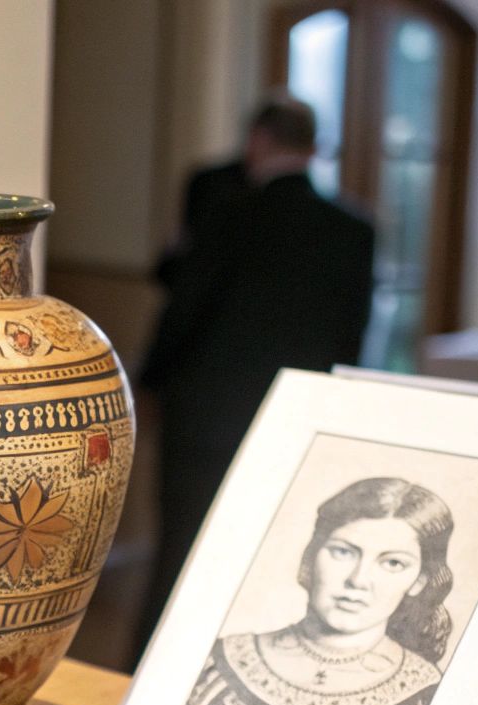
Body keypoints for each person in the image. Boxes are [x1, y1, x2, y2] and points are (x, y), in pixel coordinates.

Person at [137, 94, 376, 652]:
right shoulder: (353, 229)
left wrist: (148, 384)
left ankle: (155, 661)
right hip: (298, 408)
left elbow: (184, 307)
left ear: (258, 142)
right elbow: (353, 334)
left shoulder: (226, 210)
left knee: (183, 545)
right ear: (314, 148)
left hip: (206, 407)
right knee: (279, 546)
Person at [172, 478, 453, 705]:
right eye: (343, 552)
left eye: (392, 563)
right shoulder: (220, 662)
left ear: (419, 581)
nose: (358, 580)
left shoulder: (426, 697)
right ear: (311, 557)